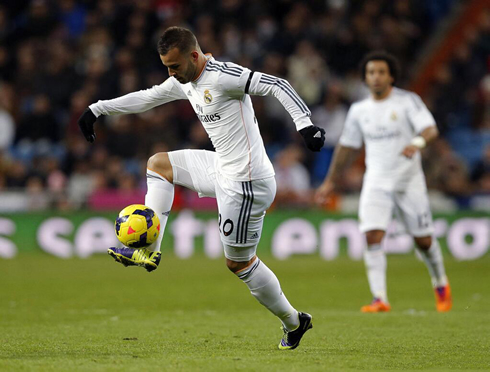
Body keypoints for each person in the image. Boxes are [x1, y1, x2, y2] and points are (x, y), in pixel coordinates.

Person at [78, 26, 324, 349]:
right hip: (221, 167)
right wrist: (98, 109)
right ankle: (149, 251)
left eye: (175, 66)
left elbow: (277, 84)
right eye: (166, 66)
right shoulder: (185, 80)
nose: (171, 73)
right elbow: (148, 97)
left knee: (238, 263)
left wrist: (304, 124)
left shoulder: (224, 77)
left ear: (194, 56)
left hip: (248, 183)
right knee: (158, 165)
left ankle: (294, 322)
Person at [315, 51, 452, 313]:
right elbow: (346, 147)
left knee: (423, 240)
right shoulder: (359, 110)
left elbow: (430, 129)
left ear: (391, 76)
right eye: (370, 73)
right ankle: (380, 298)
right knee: (372, 235)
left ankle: (440, 282)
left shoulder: (407, 102)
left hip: (408, 180)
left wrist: (417, 143)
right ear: (365, 78)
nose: (375, 77)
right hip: (376, 181)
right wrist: (330, 181)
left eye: (380, 72)